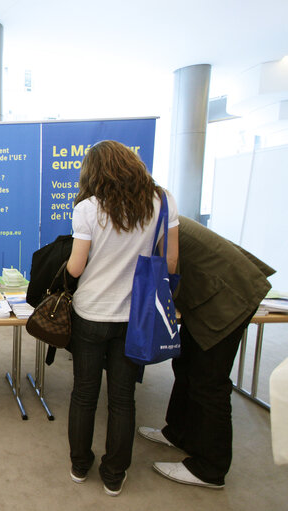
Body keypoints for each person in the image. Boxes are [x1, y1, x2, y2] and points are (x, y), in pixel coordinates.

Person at [65, 140, 179, 497]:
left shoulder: (87, 209)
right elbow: (171, 263)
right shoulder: (162, 202)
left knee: (84, 393)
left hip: (90, 314)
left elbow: (76, 266)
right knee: (122, 397)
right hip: (136, 316)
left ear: (94, 173)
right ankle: (114, 475)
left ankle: (80, 465)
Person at [139, 216, 274, 488]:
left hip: (228, 294)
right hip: (210, 292)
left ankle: (210, 469)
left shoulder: (149, 217)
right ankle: (179, 433)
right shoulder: (152, 211)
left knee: (209, 382)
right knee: (186, 366)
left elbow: (166, 266)